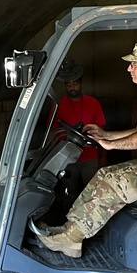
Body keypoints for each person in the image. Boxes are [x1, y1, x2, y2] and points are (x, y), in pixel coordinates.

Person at [40, 42, 137, 258]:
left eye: (134, 64)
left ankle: (72, 237)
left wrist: (112, 145)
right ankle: (71, 230)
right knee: (105, 174)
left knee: (117, 181)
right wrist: (106, 135)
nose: (129, 68)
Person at [53, 58, 106, 195]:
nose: (72, 87)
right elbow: (52, 133)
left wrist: (103, 157)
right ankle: (68, 217)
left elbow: (103, 132)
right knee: (69, 194)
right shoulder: (58, 105)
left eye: (75, 83)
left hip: (90, 158)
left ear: (81, 84)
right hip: (67, 158)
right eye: (68, 84)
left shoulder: (93, 103)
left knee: (93, 194)